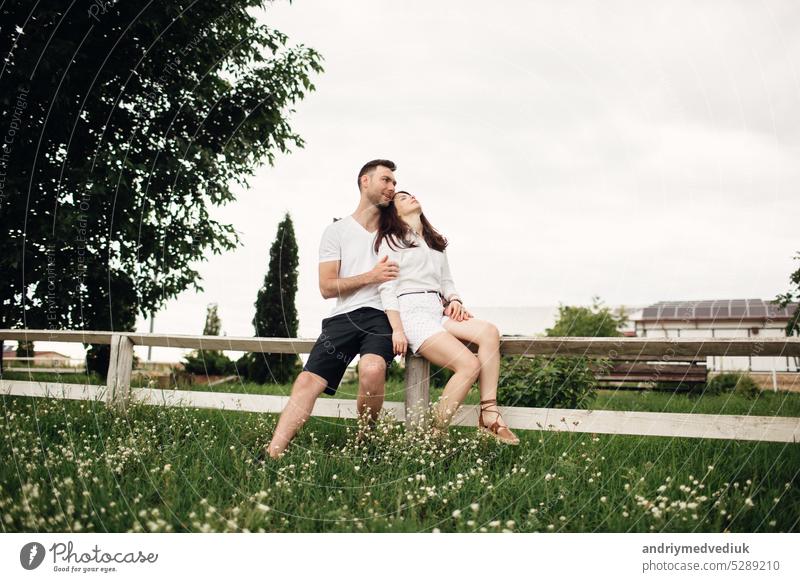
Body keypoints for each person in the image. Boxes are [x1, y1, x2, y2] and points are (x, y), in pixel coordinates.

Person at [263, 159, 399, 459]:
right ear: (365, 181)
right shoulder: (336, 232)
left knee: (373, 369)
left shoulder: (395, 234)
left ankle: (365, 440)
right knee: (307, 380)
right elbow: (326, 287)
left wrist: (449, 298)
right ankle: (272, 452)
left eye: (394, 183)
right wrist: (371, 277)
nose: (392, 187)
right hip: (343, 317)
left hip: (380, 317)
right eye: (386, 180)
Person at [374, 191, 520, 445]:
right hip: (411, 311)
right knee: (468, 365)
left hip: (437, 308)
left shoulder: (433, 241)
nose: (410, 197)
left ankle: (489, 412)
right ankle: (435, 434)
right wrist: (397, 329)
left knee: (489, 331)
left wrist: (454, 300)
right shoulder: (391, 240)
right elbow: (387, 288)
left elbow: (447, 282)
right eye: (402, 198)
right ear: (394, 212)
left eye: (410, 194)